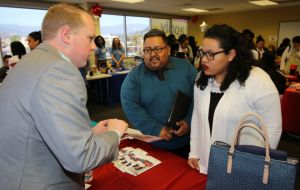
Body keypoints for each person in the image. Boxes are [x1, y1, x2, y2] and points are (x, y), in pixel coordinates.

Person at [0, 3, 128, 190]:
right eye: (90, 38)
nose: (93, 46)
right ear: (67, 35)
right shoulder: (58, 69)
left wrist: (89, 134)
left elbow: (37, 129)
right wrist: (114, 133)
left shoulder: (32, 61)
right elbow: (81, 157)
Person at [187, 24, 282, 174]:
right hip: (206, 163)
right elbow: (197, 118)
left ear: (231, 54)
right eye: (202, 52)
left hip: (244, 167)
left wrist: (255, 165)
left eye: (210, 54)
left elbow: (272, 129)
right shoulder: (202, 79)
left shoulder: (257, 80)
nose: (204, 59)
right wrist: (194, 152)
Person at [121, 29, 197, 158]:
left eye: (158, 49)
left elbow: (199, 97)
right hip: (153, 146)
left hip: (189, 143)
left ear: (167, 49)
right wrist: (156, 129)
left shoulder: (186, 68)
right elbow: (130, 105)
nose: (153, 54)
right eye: (148, 50)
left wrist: (189, 122)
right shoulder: (134, 77)